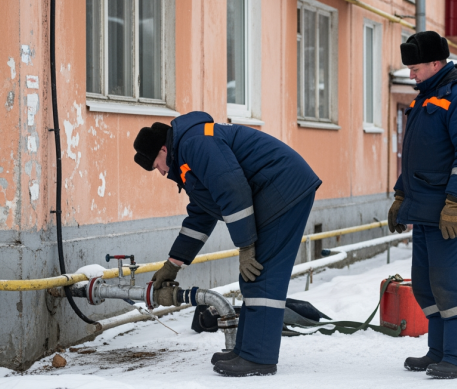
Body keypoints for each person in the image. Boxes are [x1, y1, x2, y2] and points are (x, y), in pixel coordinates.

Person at [133, 111, 321, 377]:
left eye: (157, 165)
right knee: (253, 277)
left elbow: (232, 189)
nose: (162, 172)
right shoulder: (188, 156)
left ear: (164, 149)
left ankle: (259, 358)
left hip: (284, 191)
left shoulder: (194, 143)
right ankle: (246, 351)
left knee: (261, 274)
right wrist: (173, 264)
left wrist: (246, 246)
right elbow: (201, 215)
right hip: (276, 192)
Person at [388, 31, 457, 379]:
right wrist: (401, 195)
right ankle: (440, 350)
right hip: (425, 209)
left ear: (435, 63)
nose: (411, 75)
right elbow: (417, 156)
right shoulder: (427, 97)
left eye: (415, 68)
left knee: (450, 284)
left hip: (450, 213)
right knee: (425, 284)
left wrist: (456, 202)